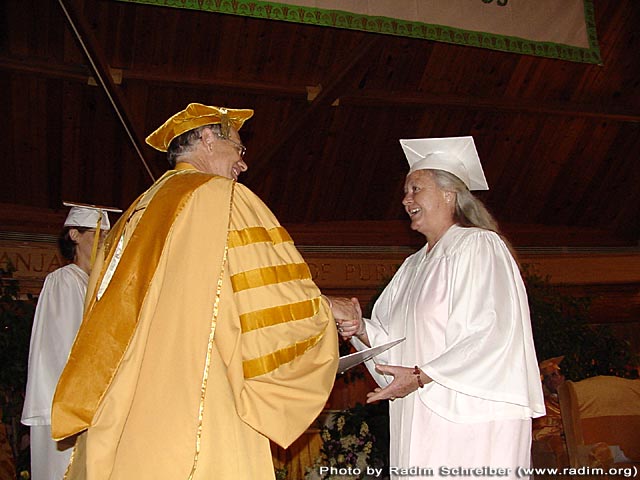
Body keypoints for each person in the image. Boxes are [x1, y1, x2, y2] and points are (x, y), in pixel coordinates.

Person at [50, 103, 340, 479]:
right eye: (239, 148)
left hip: (127, 404)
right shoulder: (223, 198)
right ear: (207, 138)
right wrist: (326, 310)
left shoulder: (131, 216)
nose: (243, 164)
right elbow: (267, 296)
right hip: (198, 397)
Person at [336, 136, 545, 478]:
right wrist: (360, 328)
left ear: (449, 194)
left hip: (469, 414)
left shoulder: (478, 245)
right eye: (406, 191)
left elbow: (492, 330)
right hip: (419, 412)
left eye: (415, 189)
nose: (406, 199)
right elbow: (394, 341)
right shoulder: (412, 266)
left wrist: (421, 376)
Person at [21, 205, 112, 480]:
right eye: (98, 234)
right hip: (66, 404)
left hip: (89, 402)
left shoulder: (93, 285)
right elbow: (66, 348)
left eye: (107, 236)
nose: (104, 242)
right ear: (74, 235)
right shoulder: (65, 281)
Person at [532, 356, 569, 467]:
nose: (552, 380)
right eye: (547, 378)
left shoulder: (574, 399)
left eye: (554, 375)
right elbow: (538, 431)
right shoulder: (543, 404)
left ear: (562, 377)